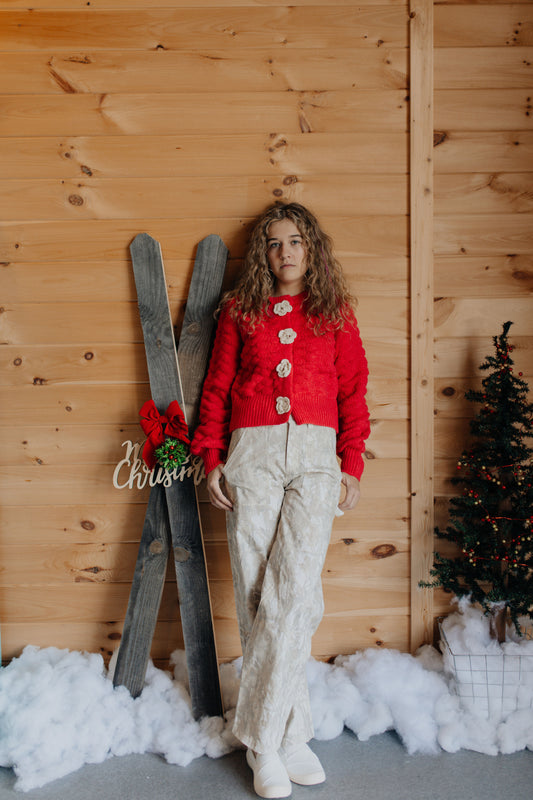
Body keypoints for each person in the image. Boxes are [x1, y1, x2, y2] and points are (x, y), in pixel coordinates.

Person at [190, 202, 370, 799]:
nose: (285, 252)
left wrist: (351, 461)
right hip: (252, 453)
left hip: (317, 457)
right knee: (254, 592)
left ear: (311, 248)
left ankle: (259, 739)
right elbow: (217, 388)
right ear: (263, 255)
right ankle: (290, 738)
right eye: (273, 243)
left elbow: (353, 390)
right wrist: (210, 457)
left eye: (295, 241)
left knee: (294, 593)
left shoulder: (334, 312)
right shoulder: (240, 312)